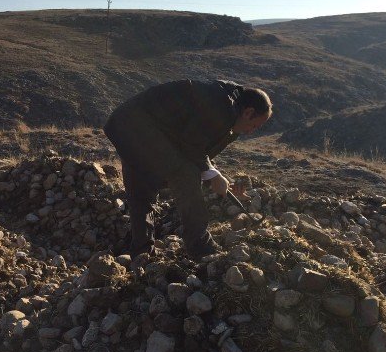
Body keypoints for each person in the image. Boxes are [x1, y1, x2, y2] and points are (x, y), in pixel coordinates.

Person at [104, 79, 272, 260]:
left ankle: (141, 255)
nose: (252, 131)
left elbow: (199, 150)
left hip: (127, 126)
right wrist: (213, 176)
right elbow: (192, 148)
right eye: (255, 126)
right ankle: (200, 245)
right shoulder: (221, 109)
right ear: (248, 112)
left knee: (142, 192)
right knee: (185, 173)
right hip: (137, 128)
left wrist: (217, 177)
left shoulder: (228, 107)